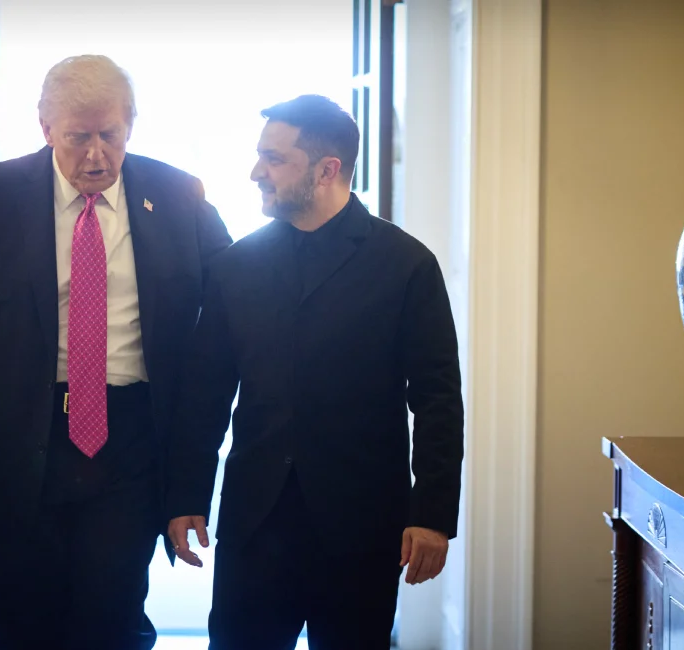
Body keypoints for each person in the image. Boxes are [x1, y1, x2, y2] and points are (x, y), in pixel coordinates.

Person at [0, 54, 232, 650]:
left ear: (130, 124)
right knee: (23, 621)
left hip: (130, 443)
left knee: (111, 620)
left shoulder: (177, 194)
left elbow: (240, 291)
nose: (95, 155)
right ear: (45, 128)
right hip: (15, 448)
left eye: (108, 136)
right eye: (76, 137)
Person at [166, 94, 465, 650]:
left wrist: (432, 515)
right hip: (255, 522)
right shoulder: (235, 267)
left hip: (363, 526)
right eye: (259, 156)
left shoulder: (406, 266)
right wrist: (185, 496)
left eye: (275, 159)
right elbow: (204, 396)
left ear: (328, 170)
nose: (256, 172)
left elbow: (438, 400)